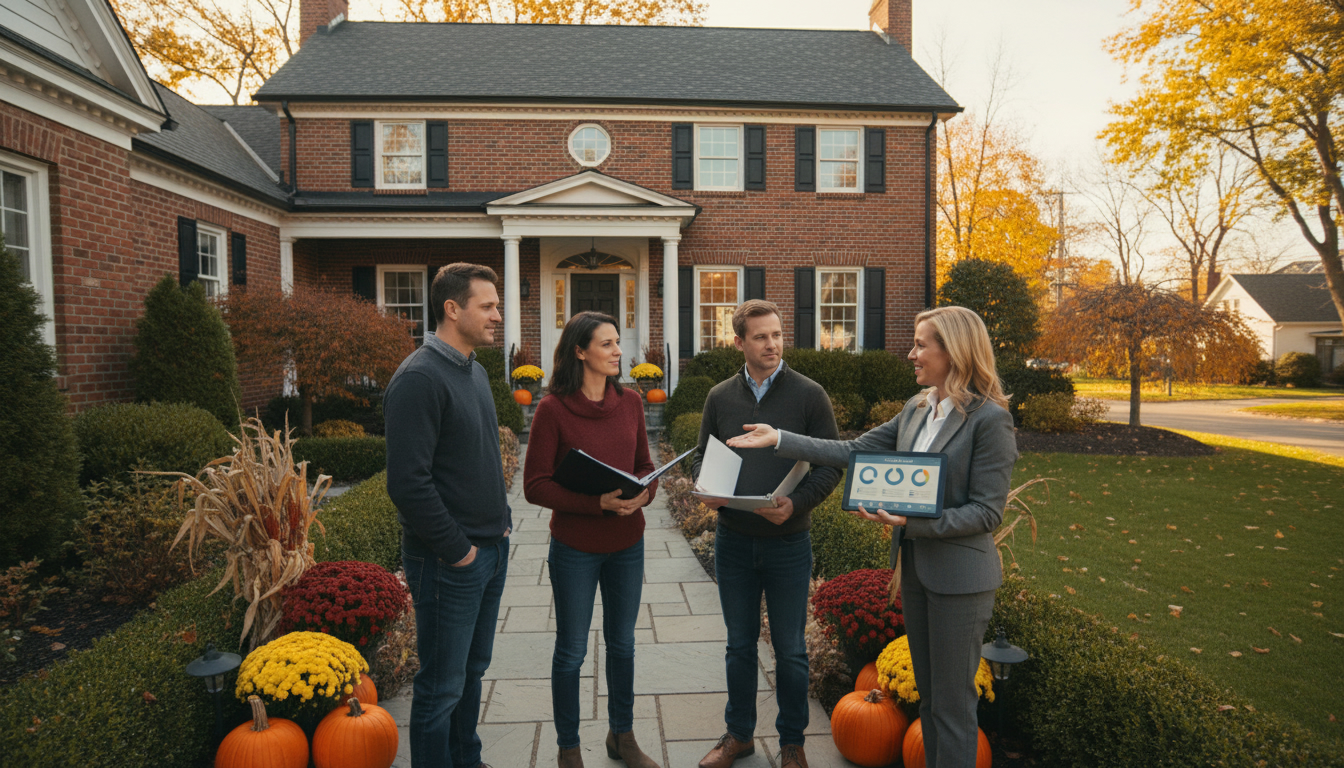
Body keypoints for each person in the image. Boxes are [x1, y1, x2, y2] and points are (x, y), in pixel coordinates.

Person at [728, 306, 1017, 768]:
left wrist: (910, 523)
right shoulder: (918, 409)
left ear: (954, 351)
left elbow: (986, 513)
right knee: (930, 702)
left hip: (962, 580)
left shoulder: (989, 420)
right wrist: (779, 438)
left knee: (954, 707)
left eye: (922, 344)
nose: (911, 354)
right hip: (918, 573)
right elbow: (853, 449)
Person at [692, 300, 843, 768]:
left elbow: (831, 463)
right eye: (760, 337)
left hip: (788, 544)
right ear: (738, 342)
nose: (772, 344)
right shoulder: (720, 397)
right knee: (738, 645)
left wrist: (796, 504)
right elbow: (702, 457)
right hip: (734, 541)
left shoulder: (809, 395)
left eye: (777, 334)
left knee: (792, 650)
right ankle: (738, 736)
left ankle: (792, 742)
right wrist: (707, 491)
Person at [385, 262, 512, 768]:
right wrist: (459, 551)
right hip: (448, 563)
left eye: (498, 305)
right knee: (440, 687)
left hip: (490, 548)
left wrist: (500, 523)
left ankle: (469, 759)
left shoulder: (474, 369)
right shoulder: (419, 377)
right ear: (452, 308)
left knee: (472, 672)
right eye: (488, 306)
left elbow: (476, 456)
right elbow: (407, 484)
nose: (498, 316)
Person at [523, 311, 661, 768]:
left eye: (618, 342)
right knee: (572, 650)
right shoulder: (552, 409)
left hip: (628, 543)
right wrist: (597, 503)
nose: (619, 351)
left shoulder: (632, 403)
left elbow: (645, 465)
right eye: (607, 344)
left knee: (623, 644)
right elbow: (536, 485)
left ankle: (622, 736)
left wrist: (644, 494)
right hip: (576, 547)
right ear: (580, 351)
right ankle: (568, 746)